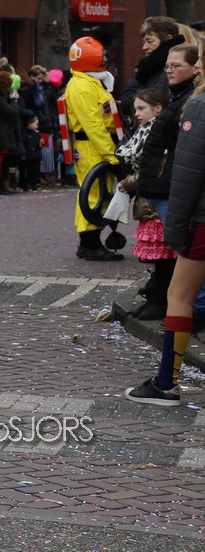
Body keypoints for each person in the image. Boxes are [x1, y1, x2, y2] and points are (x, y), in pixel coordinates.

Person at [123, 72, 205, 407]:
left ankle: (166, 383)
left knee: (179, 296)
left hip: (203, 220)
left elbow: (187, 175)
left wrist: (176, 227)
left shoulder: (199, 106)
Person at [128, 45, 201, 297]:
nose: (169, 70)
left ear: (195, 69)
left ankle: (190, 305)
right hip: (162, 187)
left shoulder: (189, 102)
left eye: (176, 65)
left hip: (170, 187)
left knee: (185, 252)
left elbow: (186, 153)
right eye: (167, 65)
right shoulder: (177, 97)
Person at [118, 88, 173, 320]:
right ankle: (156, 298)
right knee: (160, 258)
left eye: (142, 108)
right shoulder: (142, 132)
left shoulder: (156, 133)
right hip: (148, 201)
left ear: (158, 108)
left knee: (164, 257)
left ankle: (161, 301)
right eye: (135, 109)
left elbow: (150, 169)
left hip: (156, 203)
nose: (137, 114)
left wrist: (128, 183)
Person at [67, 37, 123, 261]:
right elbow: (93, 125)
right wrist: (112, 154)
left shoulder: (90, 82)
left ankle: (90, 242)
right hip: (93, 146)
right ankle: (90, 244)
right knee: (93, 193)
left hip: (97, 145)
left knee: (100, 191)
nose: (106, 59)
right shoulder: (82, 86)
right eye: (103, 55)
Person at [119, 17, 186, 120]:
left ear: (168, 38)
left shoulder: (161, 71)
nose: (145, 47)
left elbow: (130, 104)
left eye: (150, 41)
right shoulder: (148, 68)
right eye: (144, 42)